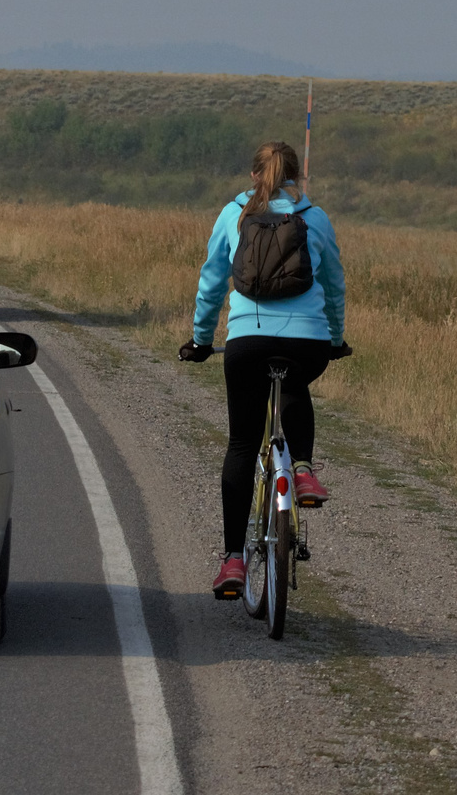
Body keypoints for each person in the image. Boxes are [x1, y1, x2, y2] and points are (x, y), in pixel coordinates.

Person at [178, 141, 348, 599]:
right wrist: (333, 338)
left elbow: (212, 280)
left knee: (241, 442)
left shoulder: (234, 213)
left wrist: (200, 339)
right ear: (297, 177)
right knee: (294, 379)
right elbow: (333, 282)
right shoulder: (315, 217)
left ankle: (234, 560)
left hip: (246, 341)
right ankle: (305, 470)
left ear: (255, 175)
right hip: (308, 341)